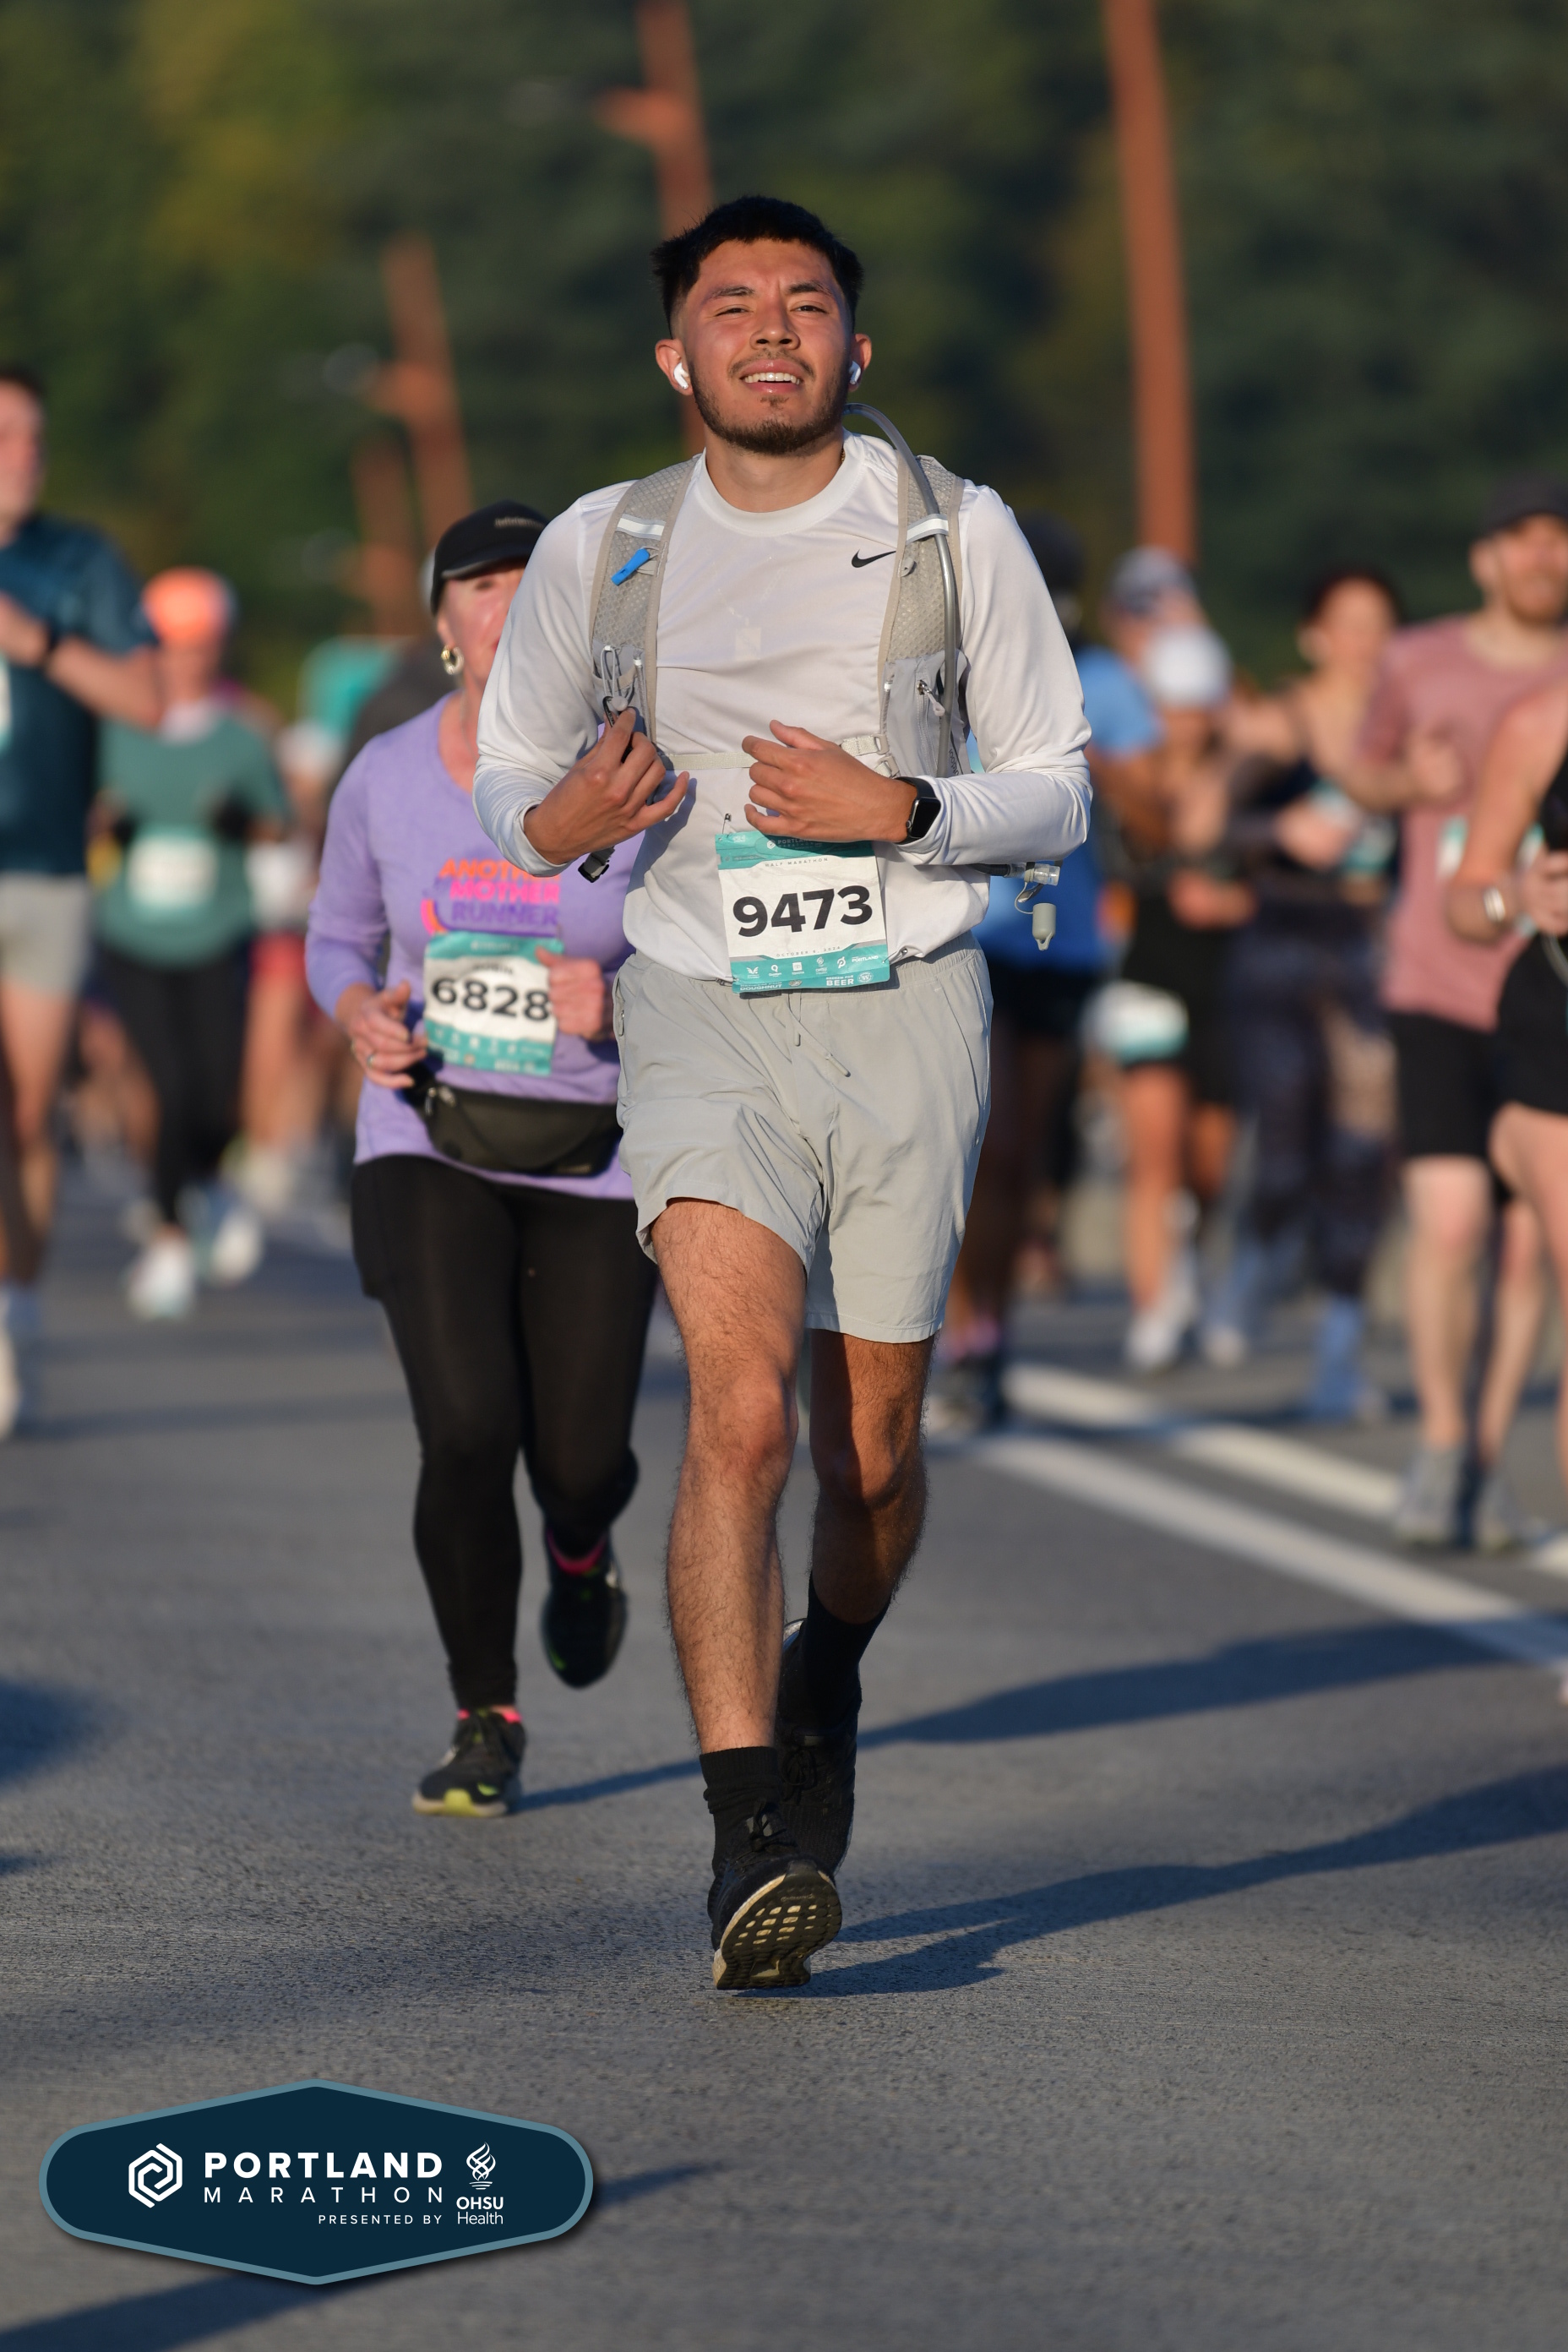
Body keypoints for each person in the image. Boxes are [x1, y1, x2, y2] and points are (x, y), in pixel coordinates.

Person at [472, 195, 1090, 1989]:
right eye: (730, 305)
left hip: (907, 997)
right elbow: (514, 771)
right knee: (736, 1416)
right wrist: (559, 823)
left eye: (803, 303)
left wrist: (904, 809)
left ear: (852, 345)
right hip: (698, 999)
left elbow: (1058, 783)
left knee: (867, 1453)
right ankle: (749, 1831)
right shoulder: (605, 541)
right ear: (675, 356)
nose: (767, 329)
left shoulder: (954, 528)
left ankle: (827, 1669)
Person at [308, 498, 658, 1820]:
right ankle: (484, 1715)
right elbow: (335, 937)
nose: (507, 602)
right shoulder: (386, 773)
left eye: (533, 578)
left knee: (579, 1461)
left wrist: (621, 1002)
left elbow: (715, 951)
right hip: (429, 1131)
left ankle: (580, 1543)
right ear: (443, 623)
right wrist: (359, 1012)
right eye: (480, 583)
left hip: (598, 1152)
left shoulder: (641, 780)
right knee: (465, 1426)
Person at [1344, 475, 1568, 1546]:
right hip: (1437, 978)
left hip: (1541, 996)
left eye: (1556, 540)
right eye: (1520, 540)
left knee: (1526, 1254)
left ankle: (1482, 1457)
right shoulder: (1419, 658)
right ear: (1485, 559)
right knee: (1451, 1222)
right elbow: (1358, 774)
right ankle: (1440, 1441)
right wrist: (1404, 783)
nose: (1540, 558)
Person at [929, 513, 1118, 1434]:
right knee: (985, 1144)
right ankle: (958, 1327)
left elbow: (1159, 811)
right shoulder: (941, 670)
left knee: (1021, 1159)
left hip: (1060, 943)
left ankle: (989, 1330)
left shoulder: (1102, 679)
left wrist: (1111, 766)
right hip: (969, 934)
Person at [1201, 567, 1402, 1418]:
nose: (1365, 643)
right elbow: (1209, 827)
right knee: (1284, 1138)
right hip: (1283, 938)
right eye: (1348, 625)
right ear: (1314, 635)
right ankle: (1257, 1256)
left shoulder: (1412, 726)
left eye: (1380, 625)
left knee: (1361, 1154)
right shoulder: (1278, 723)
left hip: (1370, 947)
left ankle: (1338, 1355)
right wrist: (1277, 827)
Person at [0, 364, 161, 1424]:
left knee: (27, 1114)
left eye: (34, 436)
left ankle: (15, 1305)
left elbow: (146, 699)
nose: (23, 454)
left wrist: (38, 642)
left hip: (48, 868)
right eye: (3, 434)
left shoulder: (79, 559)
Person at [94, 569, 287, 1318]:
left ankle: (205, 1182)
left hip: (216, 930)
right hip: (133, 933)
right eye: (174, 646)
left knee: (215, 1084)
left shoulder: (241, 736)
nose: (187, 661)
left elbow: (277, 824)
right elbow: (82, 817)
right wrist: (110, 829)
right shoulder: (114, 730)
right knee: (168, 1083)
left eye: (201, 646)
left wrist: (242, 823)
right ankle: (169, 1234)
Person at [1092, 623, 1251, 1370]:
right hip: (1149, 977)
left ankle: (1195, 1274)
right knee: (1154, 1153)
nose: (1185, 721)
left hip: (1223, 985)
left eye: (1197, 706)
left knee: (1210, 1162)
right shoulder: (1129, 775)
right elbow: (1142, 845)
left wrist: (1238, 901)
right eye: (1172, 705)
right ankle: (1154, 1305)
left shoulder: (1243, 777)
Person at [1447, 678, 1568, 1506]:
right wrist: (1514, 896)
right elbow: (1464, 898)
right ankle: (1456, 1452)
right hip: (1553, 1035)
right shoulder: (1542, 723)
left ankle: (1473, 1462)